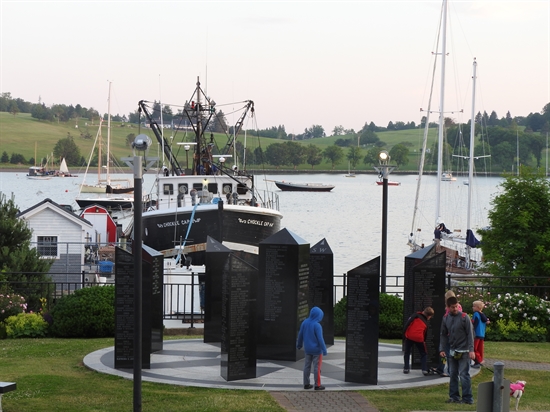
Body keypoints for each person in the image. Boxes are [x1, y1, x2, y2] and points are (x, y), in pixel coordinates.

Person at [439, 296, 475, 405]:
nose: (455, 309)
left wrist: (471, 350)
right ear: (448, 307)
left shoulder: (464, 317)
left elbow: (470, 334)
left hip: (464, 351)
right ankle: (454, 397)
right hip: (452, 350)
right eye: (452, 307)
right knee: (453, 374)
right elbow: (443, 334)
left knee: (464, 375)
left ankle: (467, 398)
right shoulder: (445, 318)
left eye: (456, 306)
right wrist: (441, 348)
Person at [296, 306, 328, 390]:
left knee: (307, 366)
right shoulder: (317, 325)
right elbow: (320, 339)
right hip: (317, 351)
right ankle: (317, 385)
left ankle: (306, 384)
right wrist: (324, 349)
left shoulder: (304, 323)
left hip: (307, 350)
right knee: (317, 367)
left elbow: (300, 335)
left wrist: (299, 345)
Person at [403, 307, 434, 375]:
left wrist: (404, 334)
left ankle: (406, 368)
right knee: (423, 353)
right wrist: (424, 341)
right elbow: (425, 334)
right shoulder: (425, 323)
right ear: (428, 316)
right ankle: (424, 369)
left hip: (409, 336)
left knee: (407, 352)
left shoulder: (415, 315)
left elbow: (407, 324)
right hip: (419, 338)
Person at [471, 300, 489, 368]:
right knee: (480, 349)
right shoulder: (483, 315)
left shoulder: (476, 314)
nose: (472, 307)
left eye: (474, 306)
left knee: (474, 348)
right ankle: (480, 360)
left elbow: (474, 324)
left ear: (478, 307)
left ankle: (478, 361)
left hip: (476, 334)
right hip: (482, 334)